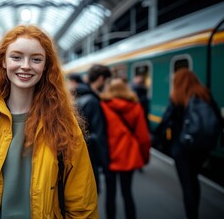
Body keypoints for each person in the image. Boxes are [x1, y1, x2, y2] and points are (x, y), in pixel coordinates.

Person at [0, 25, 98, 218]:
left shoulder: (63, 124)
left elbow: (82, 202)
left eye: (36, 59)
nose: (26, 65)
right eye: (16, 57)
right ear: (3, 61)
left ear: (45, 66)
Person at [153, 68, 222, 219]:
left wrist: (154, 137)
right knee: (194, 178)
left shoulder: (177, 96)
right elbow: (217, 119)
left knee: (187, 184)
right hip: (201, 147)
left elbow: (166, 120)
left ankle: (192, 215)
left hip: (182, 148)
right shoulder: (205, 94)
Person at [100, 78, 150, 219]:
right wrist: (145, 158)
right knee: (127, 193)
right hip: (129, 155)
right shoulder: (135, 107)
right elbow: (144, 137)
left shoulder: (104, 106)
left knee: (110, 193)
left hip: (110, 155)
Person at [74, 65, 111, 194]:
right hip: (90, 157)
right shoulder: (93, 101)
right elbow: (98, 135)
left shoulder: (77, 95)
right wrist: (106, 165)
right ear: (101, 79)